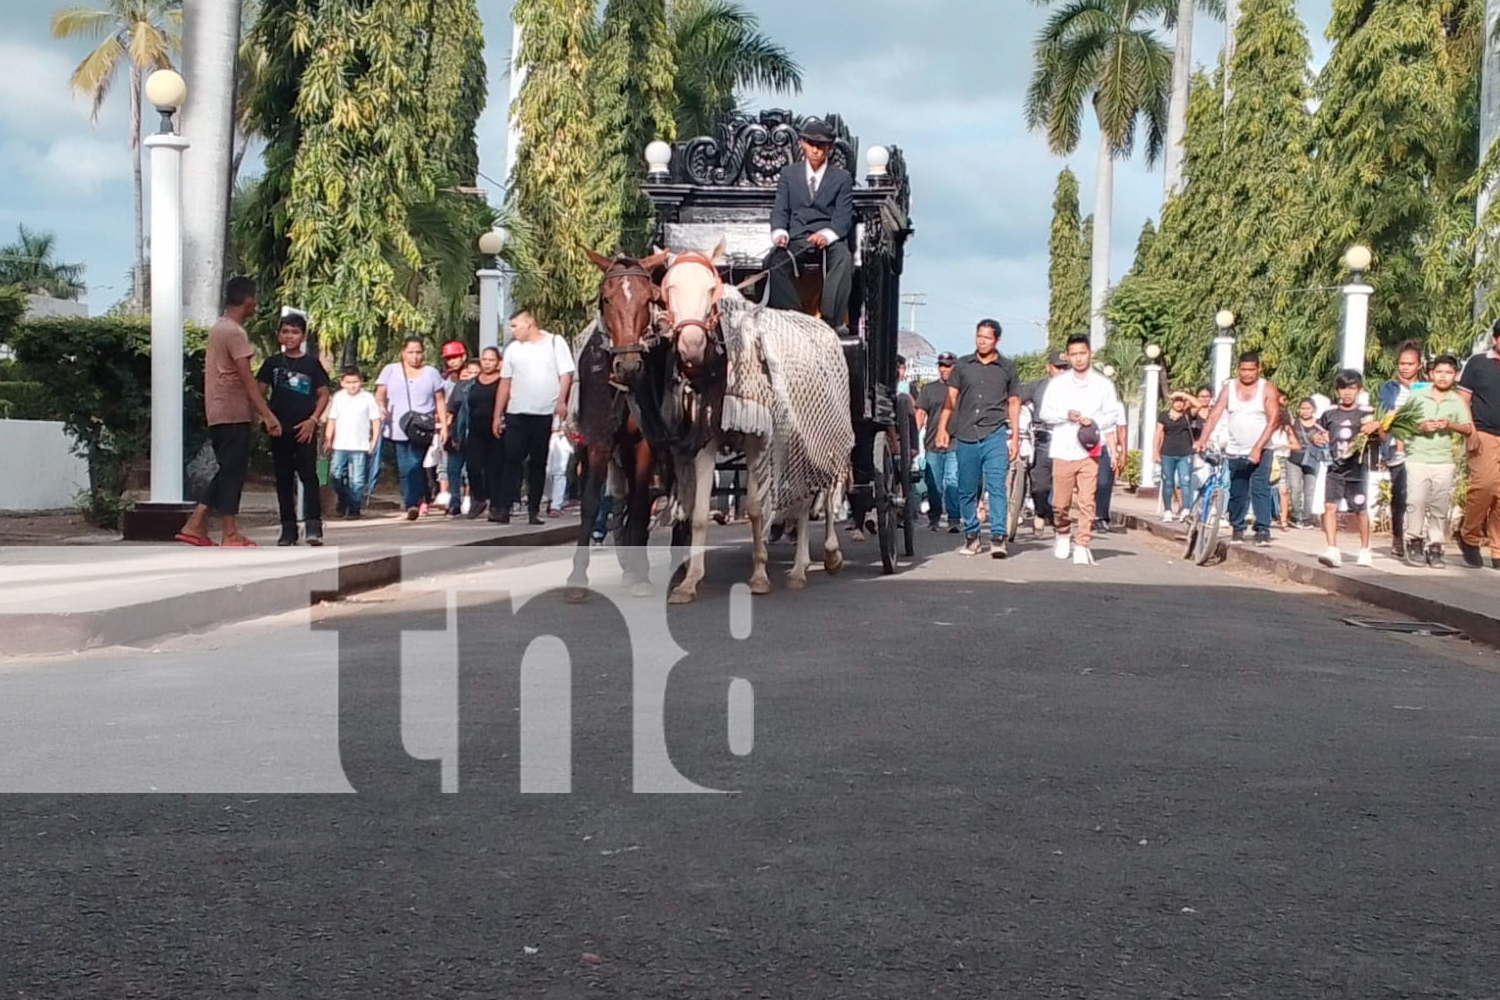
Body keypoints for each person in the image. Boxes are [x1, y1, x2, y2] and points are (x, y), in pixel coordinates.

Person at [176, 277, 282, 547]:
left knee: (228, 469)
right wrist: (267, 414)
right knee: (232, 471)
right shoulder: (234, 332)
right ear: (248, 300)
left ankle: (196, 523)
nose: (256, 303)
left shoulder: (219, 328)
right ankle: (229, 531)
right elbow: (247, 378)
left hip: (219, 410)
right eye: (254, 298)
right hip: (233, 411)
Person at [933, 319, 1020, 558]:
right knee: (967, 488)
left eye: (987, 337)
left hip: (995, 433)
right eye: (979, 336)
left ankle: (998, 537)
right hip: (966, 434)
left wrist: (1015, 437)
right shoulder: (962, 366)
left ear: (997, 341)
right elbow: (950, 400)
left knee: (996, 486)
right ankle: (971, 534)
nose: (982, 341)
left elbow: (1014, 403)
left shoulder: (1007, 368)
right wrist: (942, 428)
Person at [763, 118, 854, 332]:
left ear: (829, 148)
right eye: (811, 144)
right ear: (802, 144)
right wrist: (779, 233)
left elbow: (843, 218)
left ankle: (830, 320)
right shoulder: (789, 174)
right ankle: (796, 319)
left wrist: (827, 235)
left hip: (828, 240)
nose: (816, 150)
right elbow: (780, 209)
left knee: (844, 258)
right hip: (797, 239)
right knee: (773, 261)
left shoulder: (842, 178)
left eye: (821, 146)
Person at [1039, 334, 1122, 565]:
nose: (1078, 358)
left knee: (1087, 500)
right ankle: (1063, 531)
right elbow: (1045, 413)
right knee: (1060, 503)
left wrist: (1092, 420)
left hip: (1090, 449)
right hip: (1063, 449)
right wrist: (1066, 415)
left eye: (1082, 353)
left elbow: (1112, 415)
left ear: (1090, 354)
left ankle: (1082, 543)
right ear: (1067, 356)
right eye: (1073, 354)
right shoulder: (1058, 384)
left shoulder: (1104, 385)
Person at [494, 309, 575, 526]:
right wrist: (497, 414)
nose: (513, 331)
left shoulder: (554, 343)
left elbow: (566, 373)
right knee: (511, 460)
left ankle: (533, 510)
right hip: (516, 413)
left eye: (515, 326)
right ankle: (504, 508)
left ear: (529, 324)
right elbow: (505, 382)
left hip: (543, 413)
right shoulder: (512, 349)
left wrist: (561, 401)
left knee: (538, 463)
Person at [256, 311, 330, 546]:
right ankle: (288, 529)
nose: (290, 336)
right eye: (285, 331)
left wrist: (313, 420)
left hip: (305, 429)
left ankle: (313, 527)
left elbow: (323, 394)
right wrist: (267, 418)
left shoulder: (311, 364)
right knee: (283, 479)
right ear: (279, 335)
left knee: (309, 476)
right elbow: (258, 393)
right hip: (279, 430)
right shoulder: (272, 363)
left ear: (303, 336)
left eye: (295, 332)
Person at [1196, 352, 1280, 546]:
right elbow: (1215, 414)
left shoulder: (1267, 389)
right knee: (1237, 491)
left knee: (1260, 489)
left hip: (1262, 448)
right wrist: (1202, 438)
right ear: (1238, 369)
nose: (1247, 374)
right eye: (1244, 369)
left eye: (1252, 369)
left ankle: (1262, 529)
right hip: (1235, 450)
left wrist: (1258, 448)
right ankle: (1238, 527)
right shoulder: (1229, 389)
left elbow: (1274, 420)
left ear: (1258, 369)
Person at [1402, 354, 1473, 568]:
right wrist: (1421, 427)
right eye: (1439, 372)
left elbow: (1468, 428)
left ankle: (1435, 546)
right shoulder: (1418, 396)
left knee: (1439, 506)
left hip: (1443, 460)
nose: (1443, 377)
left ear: (1455, 376)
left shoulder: (1456, 400)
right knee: (1415, 502)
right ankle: (1414, 541)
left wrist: (1450, 425)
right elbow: (1402, 423)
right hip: (1417, 457)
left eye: (1448, 373)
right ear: (1431, 373)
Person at [374, 336, 450, 521]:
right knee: (404, 468)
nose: (415, 356)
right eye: (411, 352)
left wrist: (444, 426)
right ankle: (412, 503)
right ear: (403, 352)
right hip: (398, 427)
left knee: (415, 464)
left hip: (422, 428)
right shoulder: (390, 370)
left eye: (418, 352)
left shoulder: (431, 373)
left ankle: (413, 502)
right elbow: (380, 394)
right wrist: (381, 406)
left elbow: (439, 400)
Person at [1316, 369, 1382, 567]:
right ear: (1337, 391)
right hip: (1335, 468)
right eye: (1343, 388)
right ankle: (1332, 549)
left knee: (1360, 510)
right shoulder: (1329, 414)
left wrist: (1378, 426)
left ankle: (1364, 549)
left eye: (1351, 388)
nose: (1347, 393)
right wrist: (1318, 438)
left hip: (1357, 470)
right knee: (1330, 506)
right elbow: (1317, 434)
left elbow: (1382, 437)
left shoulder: (1368, 413)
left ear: (1359, 390)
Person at [1455, 320, 1500, 568]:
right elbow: (1463, 399)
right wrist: (1469, 431)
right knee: (1484, 486)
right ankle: (1469, 535)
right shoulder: (1478, 363)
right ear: (1495, 338)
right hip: (1483, 433)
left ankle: (1497, 549)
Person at [1378, 341, 1423, 558]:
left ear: (1419, 365)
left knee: (1421, 497)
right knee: (1400, 495)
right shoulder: (1389, 388)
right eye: (1401, 363)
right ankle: (1397, 536)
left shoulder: (1426, 388)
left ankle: (1417, 539)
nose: (1405, 368)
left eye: (1409, 364)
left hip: (1421, 448)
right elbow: (1387, 414)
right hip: (1396, 449)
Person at [323, 366, 382, 519]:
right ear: (342, 382)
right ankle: (344, 499)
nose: (352, 385)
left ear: (361, 381)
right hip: (340, 445)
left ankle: (354, 509)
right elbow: (332, 419)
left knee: (357, 480)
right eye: (348, 382)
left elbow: (375, 420)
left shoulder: (368, 398)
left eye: (355, 382)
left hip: (360, 445)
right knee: (334, 476)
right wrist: (328, 438)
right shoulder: (338, 397)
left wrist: (374, 440)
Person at [1017, 350, 1067, 531]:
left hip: (1065, 439)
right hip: (1042, 438)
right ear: (1048, 368)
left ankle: (1056, 515)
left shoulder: (1075, 389)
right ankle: (1040, 510)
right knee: (1040, 484)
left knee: (1062, 481)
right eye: (1058, 368)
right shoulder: (1037, 386)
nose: (1061, 372)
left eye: (1065, 368)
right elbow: (1015, 400)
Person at [915, 351, 961, 531]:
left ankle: (954, 519)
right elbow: (920, 414)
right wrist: (912, 440)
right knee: (934, 484)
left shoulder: (961, 390)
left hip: (955, 443)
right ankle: (934, 518)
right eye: (941, 365)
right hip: (933, 444)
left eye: (948, 365)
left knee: (952, 480)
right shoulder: (929, 389)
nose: (944, 369)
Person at [460, 347, 504, 520]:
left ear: (498, 362)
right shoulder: (471, 383)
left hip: (497, 430)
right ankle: (478, 498)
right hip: (475, 430)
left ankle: (495, 505)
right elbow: (463, 409)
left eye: (491, 360)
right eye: (484, 359)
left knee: (494, 469)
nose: (487, 363)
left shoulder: (504, 382)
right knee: (473, 466)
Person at [1285, 397, 1327, 528]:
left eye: (1308, 408)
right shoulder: (1294, 423)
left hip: (1312, 459)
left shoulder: (1320, 423)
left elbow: (1326, 438)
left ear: (1313, 409)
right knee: (1295, 488)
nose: (1305, 411)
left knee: (1310, 489)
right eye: (1302, 408)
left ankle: (1307, 518)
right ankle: (1296, 516)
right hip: (1294, 459)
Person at [1156, 391, 1196, 521]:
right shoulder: (1164, 416)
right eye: (1176, 401)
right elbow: (1158, 433)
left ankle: (1185, 509)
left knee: (1185, 481)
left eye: (1181, 401)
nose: (1179, 404)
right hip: (1167, 452)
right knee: (1168, 481)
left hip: (1185, 453)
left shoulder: (1187, 415)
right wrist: (1155, 452)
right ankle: (1168, 510)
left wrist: (1183, 394)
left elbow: (1198, 405)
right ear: (1172, 402)